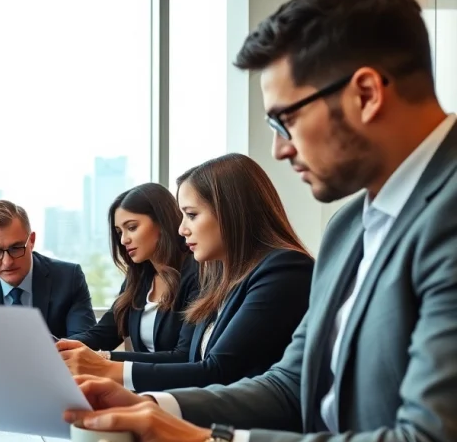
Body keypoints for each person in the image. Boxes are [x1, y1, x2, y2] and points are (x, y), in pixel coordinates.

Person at [63, 0, 457, 442]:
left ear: (367, 93)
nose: (279, 149)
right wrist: (153, 411)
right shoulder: (350, 227)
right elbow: (287, 385)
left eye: (284, 120)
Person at [59, 153, 313, 392]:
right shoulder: (219, 277)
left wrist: (108, 367)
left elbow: (218, 372)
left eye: (191, 215)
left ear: (229, 212)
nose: (181, 229)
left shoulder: (283, 270)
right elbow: (195, 361)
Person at [65, 183, 199, 360]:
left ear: (161, 222)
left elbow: (184, 356)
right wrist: (59, 347)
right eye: (119, 231)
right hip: (142, 384)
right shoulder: (139, 278)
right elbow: (104, 333)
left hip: (179, 386)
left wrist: (105, 358)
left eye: (132, 227)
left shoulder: (196, 273)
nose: (123, 240)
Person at [0, 200, 96, 338]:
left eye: (15, 248)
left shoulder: (68, 279)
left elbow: (83, 348)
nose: (7, 262)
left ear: (32, 241)